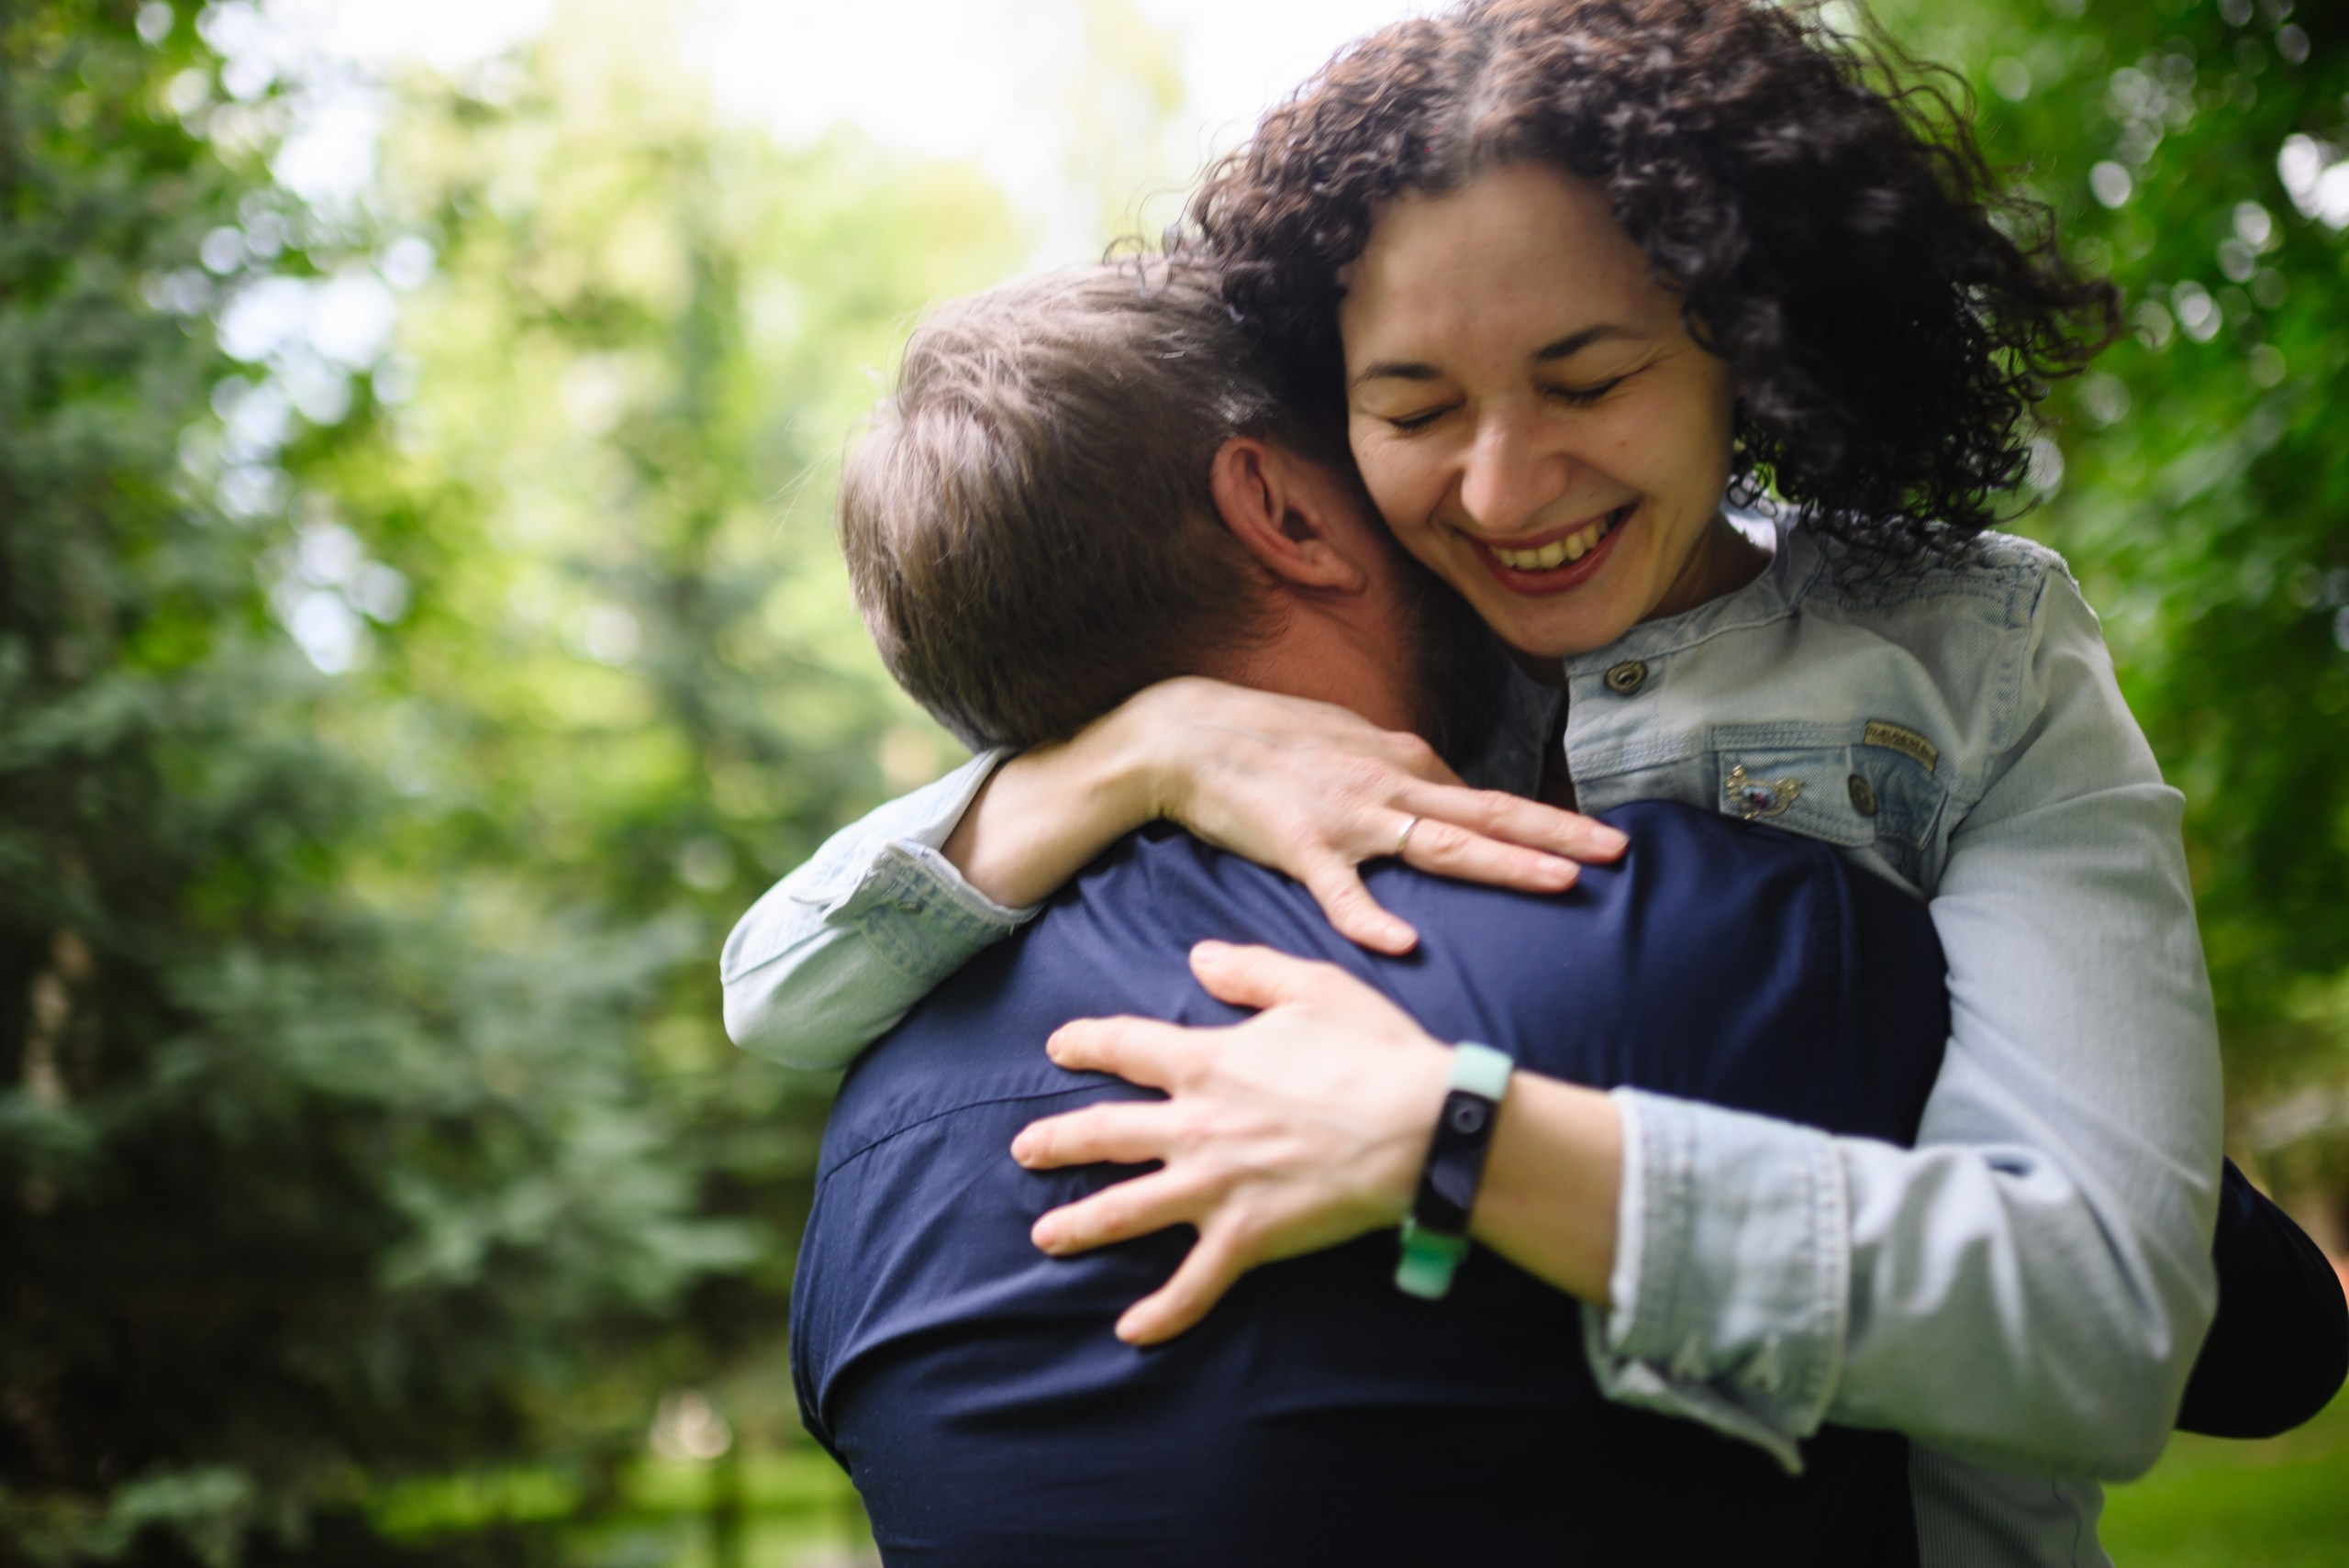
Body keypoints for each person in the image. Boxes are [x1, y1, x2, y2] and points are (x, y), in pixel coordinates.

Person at [727, 3, 2347, 1560]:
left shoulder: (1968, 649)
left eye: (1587, 380)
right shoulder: (1424, 656)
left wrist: (1451, 1136)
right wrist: (1147, 747)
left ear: (1743, 339)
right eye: (1414, 407)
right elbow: (776, 987)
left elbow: (2112, 1323)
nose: (1503, 490)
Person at [791, 262, 1954, 1565]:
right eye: (1394, 430)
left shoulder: (858, 1177)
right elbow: (2205, 1323)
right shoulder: (1703, 936)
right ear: (1284, 509)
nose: (1474, 502)